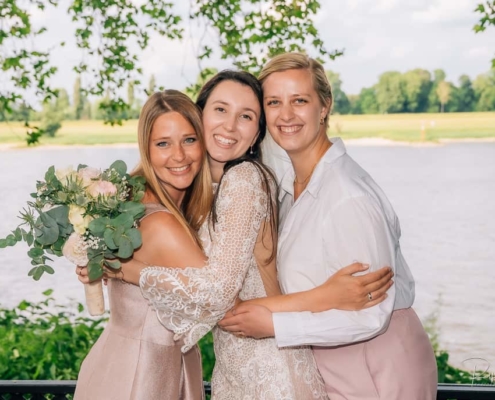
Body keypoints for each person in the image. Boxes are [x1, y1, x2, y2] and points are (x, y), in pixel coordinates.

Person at [104, 71, 393, 399]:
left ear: (257, 133)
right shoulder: (199, 191)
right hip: (234, 365)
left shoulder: (243, 179)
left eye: (246, 117)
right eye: (221, 110)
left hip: (268, 369)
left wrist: (125, 270)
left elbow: (220, 293)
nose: (229, 126)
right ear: (199, 117)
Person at [219, 53, 438, 400]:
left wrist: (275, 325)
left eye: (300, 101)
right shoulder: (291, 186)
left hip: (377, 360)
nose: (286, 114)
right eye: (274, 102)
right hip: (327, 359)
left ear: (324, 107)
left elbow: (372, 315)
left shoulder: (348, 197)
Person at [74, 90, 211, 400]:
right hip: (146, 376)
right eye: (163, 143)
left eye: (189, 140)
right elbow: (220, 302)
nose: (179, 156)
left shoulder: (126, 203)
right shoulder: (162, 224)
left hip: (113, 362)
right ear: (146, 149)